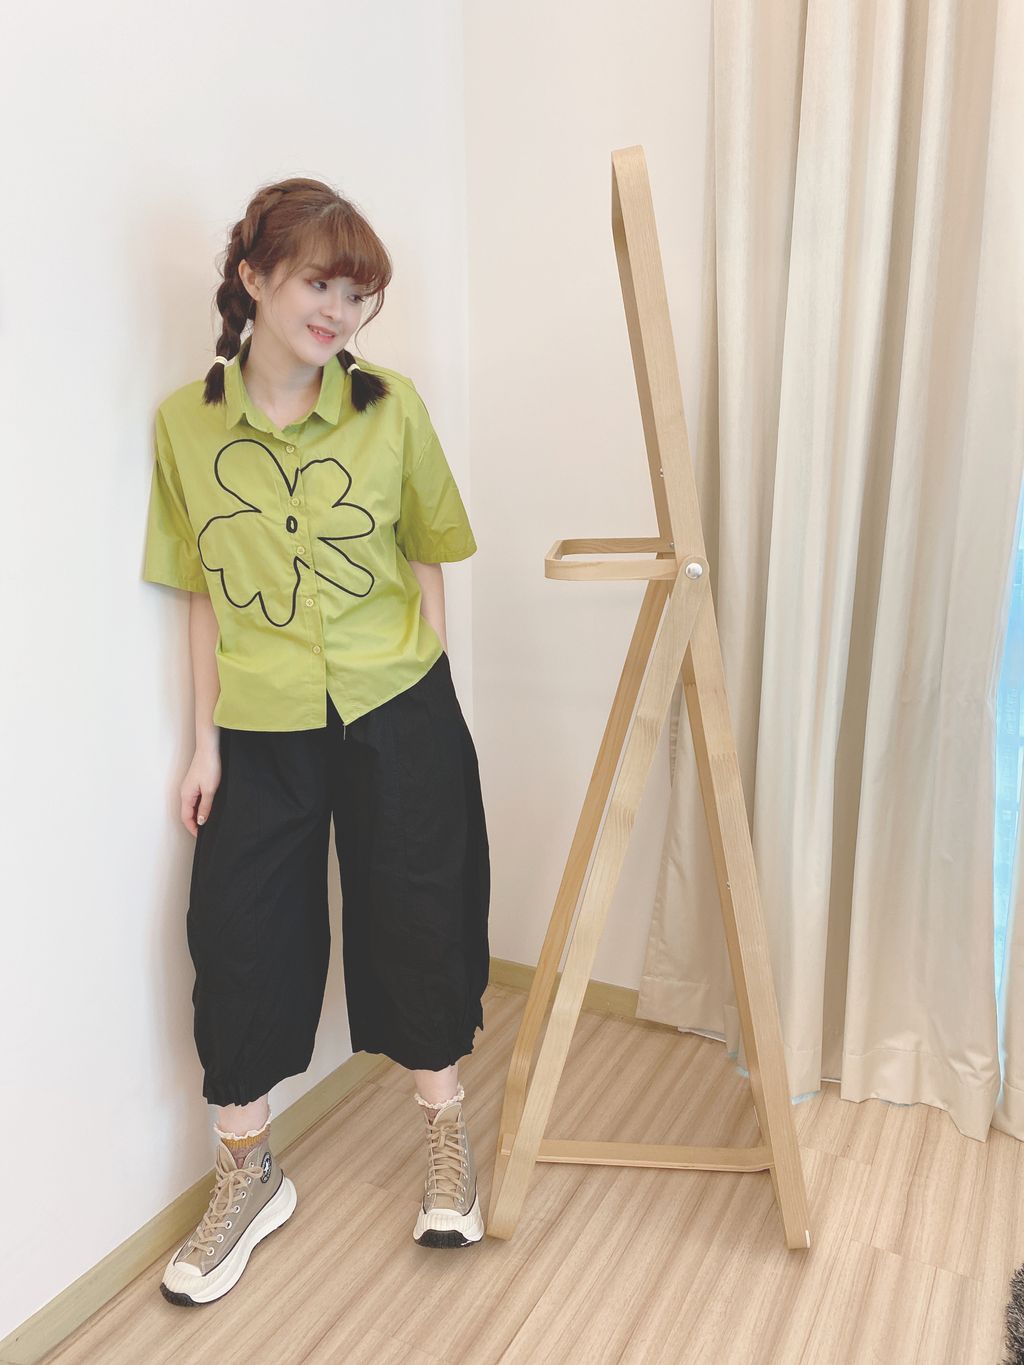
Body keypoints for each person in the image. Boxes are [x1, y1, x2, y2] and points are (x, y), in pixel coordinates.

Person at [142, 177, 491, 1307]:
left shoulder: (392, 408)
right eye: (317, 285)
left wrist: (431, 694)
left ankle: (446, 1140)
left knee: (421, 914)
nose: (338, 311)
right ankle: (249, 1174)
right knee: (238, 934)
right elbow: (201, 594)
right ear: (253, 278)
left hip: (399, 704)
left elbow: (427, 550)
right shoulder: (185, 426)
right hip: (260, 723)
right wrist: (204, 745)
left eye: (356, 293)